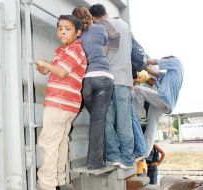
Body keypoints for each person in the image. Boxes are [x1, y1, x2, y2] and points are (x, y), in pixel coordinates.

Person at [35, 15, 87, 190]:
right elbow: (59, 71)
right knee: (60, 142)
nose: (62, 31)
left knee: (48, 143)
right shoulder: (64, 51)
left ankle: (47, 185)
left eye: (67, 28)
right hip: (67, 104)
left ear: (78, 32)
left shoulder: (74, 49)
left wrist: (45, 64)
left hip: (59, 103)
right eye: (60, 28)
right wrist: (46, 68)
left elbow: (61, 72)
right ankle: (60, 180)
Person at [89, 4, 135, 168]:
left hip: (105, 79)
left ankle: (114, 156)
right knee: (124, 120)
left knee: (106, 120)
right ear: (106, 13)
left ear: (93, 17)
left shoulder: (96, 28)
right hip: (123, 79)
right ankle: (127, 159)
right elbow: (130, 52)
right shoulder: (124, 25)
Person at [72, 6, 114, 169]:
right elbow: (106, 50)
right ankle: (95, 162)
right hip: (103, 77)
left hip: (85, 82)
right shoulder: (100, 29)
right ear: (90, 16)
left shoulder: (75, 34)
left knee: (96, 119)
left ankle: (99, 158)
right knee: (98, 120)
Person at [134, 56, 184, 155]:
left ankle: (141, 117)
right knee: (152, 126)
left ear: (170, 58)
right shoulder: (169, 74)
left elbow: (152, 62)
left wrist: (137, 58)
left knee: (137, 89)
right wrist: (144, 68)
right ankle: (144, 153)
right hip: (167, 105)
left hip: (163, 98)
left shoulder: (176, 61)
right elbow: (153, 72)